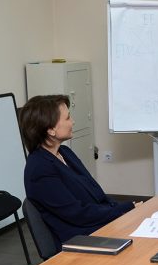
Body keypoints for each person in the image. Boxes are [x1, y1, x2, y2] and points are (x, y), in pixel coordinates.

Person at [20, 95, 135, 243]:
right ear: (51, 130)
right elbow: (77, 214)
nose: (73, 122)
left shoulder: (65, 153)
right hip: (80, 238)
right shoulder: (39, 169)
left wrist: (122, 209)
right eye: (68, 118)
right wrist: (122, 209)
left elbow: (97, 194)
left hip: (96, 225)